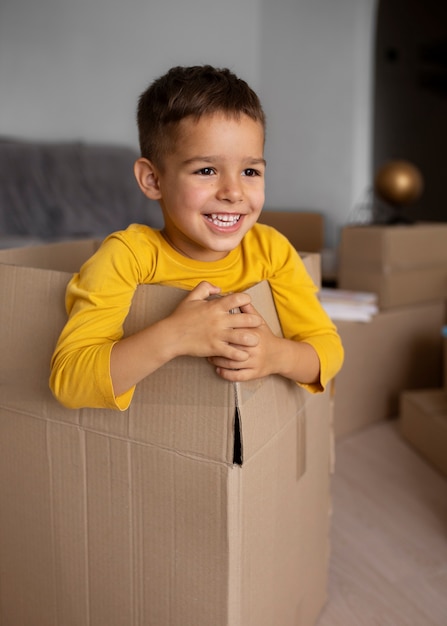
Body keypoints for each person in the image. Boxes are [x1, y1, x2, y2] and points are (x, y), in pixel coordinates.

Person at [50, 64, 344, 410]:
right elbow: (70, 380)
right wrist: (176, 336)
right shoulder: (127, 256)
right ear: (152, 180)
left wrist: (276, 355)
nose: (233, 192)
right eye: (206, 170)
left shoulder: (271, 251)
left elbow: (328, 350)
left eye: (250, 171)